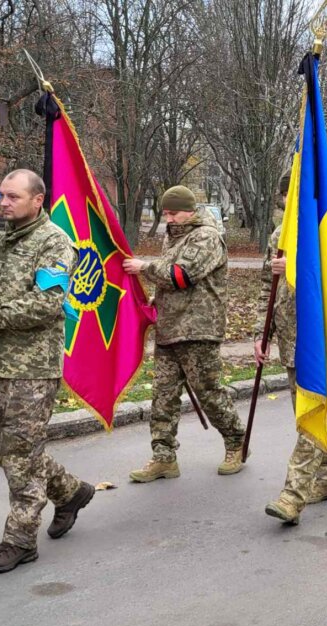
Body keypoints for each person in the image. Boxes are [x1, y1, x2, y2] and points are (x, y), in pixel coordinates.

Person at [0, 169, 94, 574]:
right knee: (2, 448)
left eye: (13, 197)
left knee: (20, 452)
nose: (3, 203)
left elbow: (48, 303)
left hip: (32, 368)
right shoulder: (3, 238)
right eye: (1, 196)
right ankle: (70, 492)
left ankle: (19, 540)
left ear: (38, 200)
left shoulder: (54, 242)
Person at [123, 185, 247, 481]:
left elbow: (182, 276)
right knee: (162, 395)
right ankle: (163, 456)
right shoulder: (173, 236)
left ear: (190, 211)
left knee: (208, 392)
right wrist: (156, 299)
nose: (169, 218)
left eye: (174, 212)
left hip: (198, 329)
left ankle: (235, 441)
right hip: (169, 326)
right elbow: (170, 280)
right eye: (165, 212)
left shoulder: (206, 236)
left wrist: (143, 267)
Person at [257, 200, 327, 525]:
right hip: (291, 338)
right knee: (307, 414)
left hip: (323, 339)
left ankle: (293, 495)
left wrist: (295, 264)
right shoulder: (280, 233)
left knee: (312, 412)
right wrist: (261, 334)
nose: (293, 202)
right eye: (289, 197)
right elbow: (267, 288)